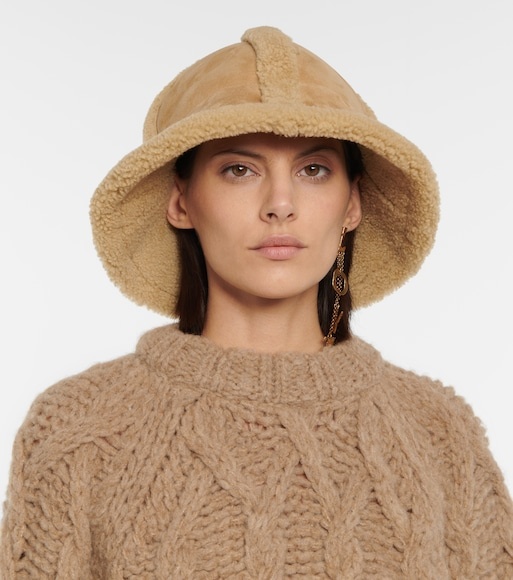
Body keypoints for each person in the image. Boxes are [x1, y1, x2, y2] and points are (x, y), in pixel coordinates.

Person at [1, 25, 512, 579]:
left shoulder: (439, 433)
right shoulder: (80, 428)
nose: (280, 204)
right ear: (181, 201)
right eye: (239, 170)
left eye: (314, 170)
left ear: (351, 205)